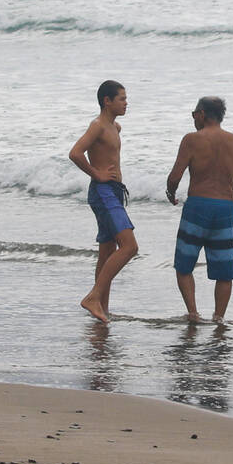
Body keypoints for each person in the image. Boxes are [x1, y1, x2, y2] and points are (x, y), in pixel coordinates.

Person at [166, 96, 233, 323]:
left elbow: (175, 176)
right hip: (224, 209)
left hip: (197, 207)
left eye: (194, 114)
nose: (193, 119)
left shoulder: (192, 139)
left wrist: (171, 193)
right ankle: (219, 318)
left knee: (184, 265)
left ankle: (193, 313)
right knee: (224, 271)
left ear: (202, 114)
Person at [69, 80, 139, 323]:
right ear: (107, 101)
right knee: (130, 247)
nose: (126, 103)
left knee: (107, 251)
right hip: (103, 192)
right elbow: (75, 153)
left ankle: (102, 308)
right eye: (121, 98)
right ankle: (93, 297)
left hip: (115, 191)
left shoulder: (115, 127)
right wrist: (96, 174)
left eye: (126, 98)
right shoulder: (97, 126)